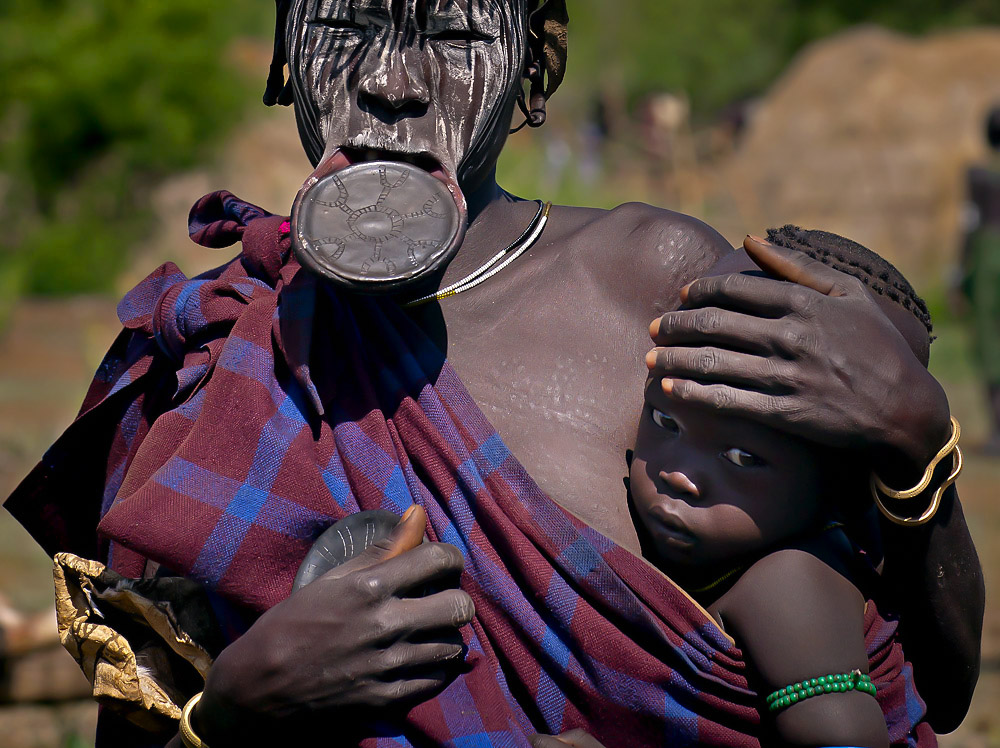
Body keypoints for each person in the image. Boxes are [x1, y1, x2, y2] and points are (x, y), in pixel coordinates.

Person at [4, 1, 983, 746]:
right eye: (344, 22)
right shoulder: (213, 354)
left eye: (453, 31)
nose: (390, 79)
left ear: (534, 62)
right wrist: (239, 708)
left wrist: (911, 439)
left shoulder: (660, 288)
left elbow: (926, 689)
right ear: (279, 55)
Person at [629, 227, 947, 748]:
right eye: (666, 423)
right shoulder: (737, 552)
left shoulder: (790, 588)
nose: (679, 474)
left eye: (741, 458)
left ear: (841, 493)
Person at [958, 106, 1000, 453]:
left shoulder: (979, 174)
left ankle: (998, 432)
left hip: (987, 260)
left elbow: (970, 224)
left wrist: (959, 273)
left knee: (989, 343)